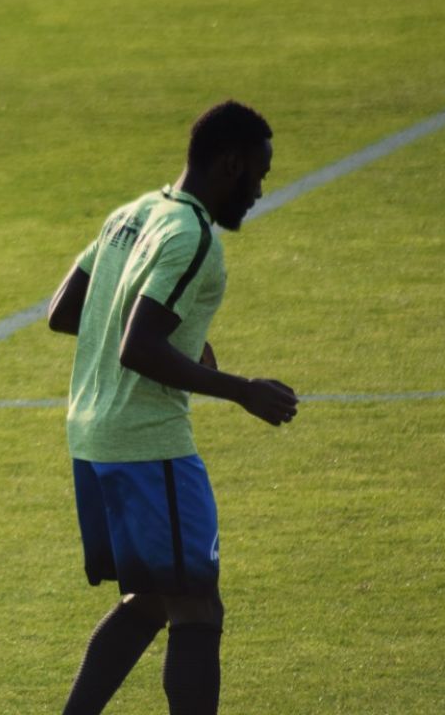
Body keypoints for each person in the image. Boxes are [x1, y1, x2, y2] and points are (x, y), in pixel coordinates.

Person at [47, 100, 299, 715]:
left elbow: (65, 310)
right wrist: (242, 390)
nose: (260, 191)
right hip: (148, 444)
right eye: (259, 174)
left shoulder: (132, 214)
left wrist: (180, 342)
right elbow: (138, 347)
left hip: (93, 437)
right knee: (197, 606)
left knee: (153, 600)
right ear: (231, 164)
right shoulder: (193, 238)